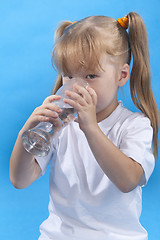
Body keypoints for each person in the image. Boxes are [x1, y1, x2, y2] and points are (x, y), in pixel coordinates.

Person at [10, 12, 159, 240]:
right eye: (68, 77)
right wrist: (26, 134)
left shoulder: (134, 125)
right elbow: (19, 180)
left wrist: (90, 127)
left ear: (121, 75)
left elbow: (128, 180)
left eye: (90, 76)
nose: (76, 87)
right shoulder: (61, 125)